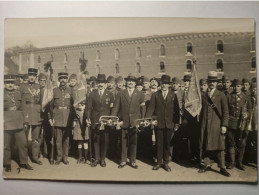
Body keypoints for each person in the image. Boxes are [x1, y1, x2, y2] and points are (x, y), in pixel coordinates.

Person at [198, 71, 230, 177]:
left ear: (217, 83)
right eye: (210, 81)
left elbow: (225, 112)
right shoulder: (203, 95)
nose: (212, 83)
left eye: (214, 81)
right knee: (206, 144)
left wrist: (224, 125)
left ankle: (222, 167)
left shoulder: (221, 95)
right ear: (208, 82)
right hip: (205, 124)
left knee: (220, 146)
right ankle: (207, 165)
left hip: (216, 125)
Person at [145, 75, 179, 172]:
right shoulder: (155, 94)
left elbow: (176, 110)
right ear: (161, 84)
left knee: (167, 143)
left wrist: (176, 123)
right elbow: (151, 108)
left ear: (169, 85)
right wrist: (149, 119)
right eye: (163, 83)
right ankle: (158, 162)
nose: (164, 85)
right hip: (158, 123)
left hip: (169, 123)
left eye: (166, 84)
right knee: (159, 143)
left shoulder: (173, 95)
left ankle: (166, 163)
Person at [111, 73, 145, 169]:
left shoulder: (140, 94)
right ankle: (123, 160)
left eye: (132, 81)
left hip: (135, 121)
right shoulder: (121, 93)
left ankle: (133, 160)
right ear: (126, 82)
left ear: (135, 83)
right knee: (123, 141)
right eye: (129, 81)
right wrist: (114, 118)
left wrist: (141, 121)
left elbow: (143, 109)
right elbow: (116, 107)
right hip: (123, 121)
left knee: (133, 142)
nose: (130, 83)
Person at [3, 75, 33, 172]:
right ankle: (7, 164)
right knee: (6, 145)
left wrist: (26, 121)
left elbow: (23, 108)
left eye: (12, 82)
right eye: (8, 83)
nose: (10, 85)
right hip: (6, 122)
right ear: (4, 84)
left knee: (23, 143)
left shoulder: (18, 93)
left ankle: (24, 162)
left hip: (19, 122)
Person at [88, 74, 114, 167]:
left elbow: (112, 108)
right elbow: (89, 108)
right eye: (99, 83)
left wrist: (110, 119)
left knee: (105, 140)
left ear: (105, 84)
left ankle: (103, 159)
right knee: (96, 140)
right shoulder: (92, 94)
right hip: (95, 120)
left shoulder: (110, 94)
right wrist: (88, 118)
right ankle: (97, 158)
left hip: (106, 121)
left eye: (102, 83)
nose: (100, 84)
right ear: (97, 83)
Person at [49, 72, 75, 165]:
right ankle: (59, 157)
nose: (63, 80)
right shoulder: (54, 90)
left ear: (66, 80)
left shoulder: (71, 90)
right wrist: (51, 118)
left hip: (67, 117)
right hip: (57, 117)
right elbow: (50, 106)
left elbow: (73, 105)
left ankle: (65, 157)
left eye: (65, 78)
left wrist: (73, 119)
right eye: (61, 78)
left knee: (66, 139)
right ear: (59, 80)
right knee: (58, 139)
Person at [226, 79, 252, 171]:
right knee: (231, 142)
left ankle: (240, 162)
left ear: (241, 86)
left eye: (238, 86)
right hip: (230, 123)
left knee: (242, 144)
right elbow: (226, 110)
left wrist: (247, 114)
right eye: (235, 86)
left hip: (242, 123)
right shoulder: (228, 96)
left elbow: (249, 109)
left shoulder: (245, 97)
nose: (236, 88)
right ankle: (232, 162)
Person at [20, 68, 43, 165]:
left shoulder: (39, 87)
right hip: (26, 114)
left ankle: (34, 156)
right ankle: (24, 158)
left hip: (37, 114)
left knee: (36, 138)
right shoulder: (22, 87)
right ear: (28, 76)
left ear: (36, 77)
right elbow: (20, 102)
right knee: (24, 138)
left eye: (34, 76)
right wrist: (24, 115)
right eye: (30, 75)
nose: (32, 77)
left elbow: (42, 101)